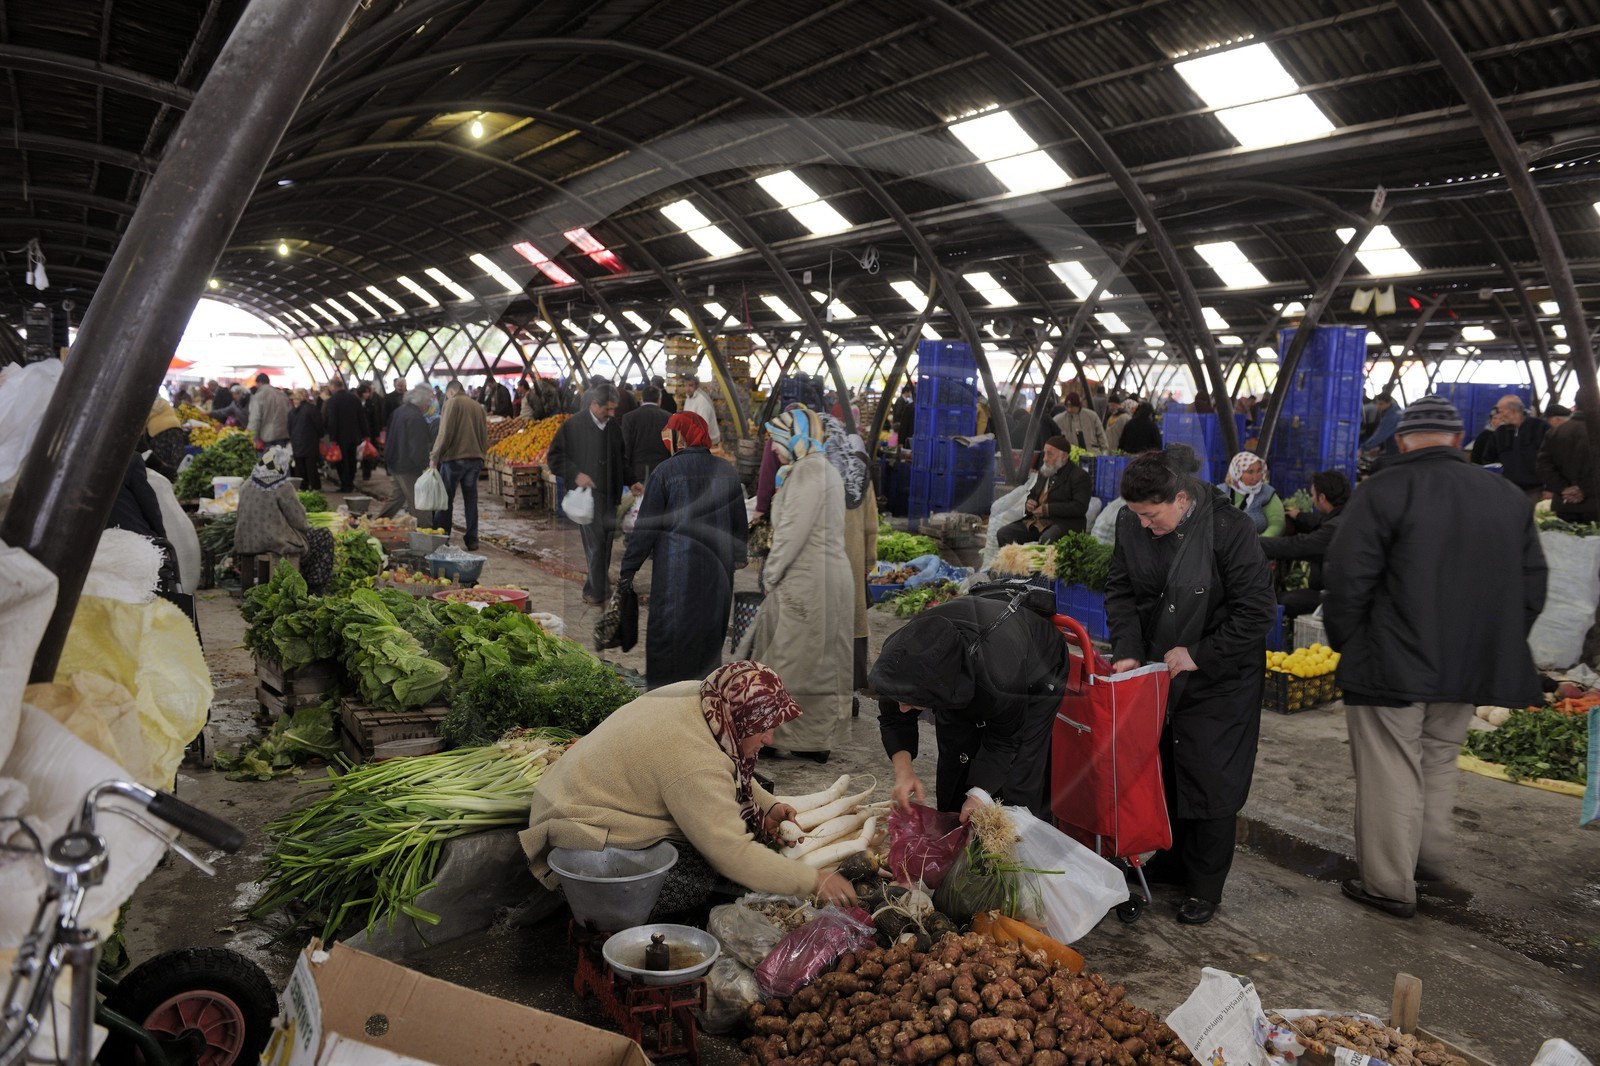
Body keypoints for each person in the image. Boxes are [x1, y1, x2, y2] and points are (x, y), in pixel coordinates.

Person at [1323, 395, 1546, 918]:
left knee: (1391, 767)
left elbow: (1347, 576)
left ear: (1402, 440)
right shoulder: (1509, 496)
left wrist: (1348, 642)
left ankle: (1388, 884)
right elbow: (1533, 584)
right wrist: (1497, 640)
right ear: (1456, 439)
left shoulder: (1385, 489)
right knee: (1439, 755)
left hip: (1391, 662)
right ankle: (1426, 858)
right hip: (1469, 664)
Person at [520, 661, 859, 913]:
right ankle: (589, 903)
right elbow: (733, 855)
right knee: (703, 878)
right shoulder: (693, 761)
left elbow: (724, 761)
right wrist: (813, 880)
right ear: (737, 721)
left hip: (561, 799)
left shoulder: (702, 696)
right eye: (762, 728)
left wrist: (767, 804)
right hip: (578, 843)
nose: (770, 738)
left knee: (712, 843)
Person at [1104, 450, 1276, 925]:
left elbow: (1257, 613)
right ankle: (1175, 861)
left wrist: (1198, 652)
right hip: (1161, 672)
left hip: (1220, 675)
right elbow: (1121, 591)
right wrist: (1128, 648)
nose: (1143, 525)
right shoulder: (1130, 524)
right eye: (1136, 514)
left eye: (1152, 515)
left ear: (1181, 499)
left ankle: (1205, 886)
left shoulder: (1229, 530)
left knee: (1211, 776)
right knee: (1168, 766)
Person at [872, 584, 1069, 820]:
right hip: (966, 660)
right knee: (956, 761)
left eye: (909, 702)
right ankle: (954, 831)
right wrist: (904, 772)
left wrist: (979, 794)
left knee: (1016, 780)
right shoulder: (899, 663)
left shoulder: (999, 679)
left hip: (1035, 673)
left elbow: (1006, 740)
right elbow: (894, 715)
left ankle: (1017, 846)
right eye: (900, 699)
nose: (903, 707)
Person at [738, 408, 854, 762]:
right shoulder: (825, 469)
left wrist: (771, 576)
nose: (773, 449)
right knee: (820, 661)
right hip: (828, 578)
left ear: (796, 436)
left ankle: (774, 735)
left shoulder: (806, 474)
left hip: (808, 580)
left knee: (788, 660)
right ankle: (814, 740)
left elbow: (790, 535)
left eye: (776, 440)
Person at [619, 412, 748, 687]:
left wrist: (628, 568)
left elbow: (646, 529)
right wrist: (737, 558)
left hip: (676, 577)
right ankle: (702, 706)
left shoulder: (665, 472)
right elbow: (739, 525)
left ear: (681, 437)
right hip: (718, 577)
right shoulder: (727, 471)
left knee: (670, 642)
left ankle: (666, 708)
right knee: (709, 644)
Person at [547, 383, 627, 604]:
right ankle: (596, 592)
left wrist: (632, 481)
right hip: (589, 498)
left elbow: (622, 459)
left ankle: (593, 588)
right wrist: (576, 474)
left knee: (606, 544)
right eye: (607, 409)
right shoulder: (573, 426)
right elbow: (554, 458)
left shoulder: (613, 427)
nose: (611, 414)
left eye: (613, 409)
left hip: (611, 495)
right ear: (594, 404)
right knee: (596, 543)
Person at [820, 414, 879, 693]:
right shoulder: (861, 474)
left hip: (823, 562)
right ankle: (850, 691)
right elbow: (872, 525)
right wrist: (870, 562)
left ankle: (825, 688)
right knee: (853, 620)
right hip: (853, 562)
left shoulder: (818, 472)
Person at [1261, 469, 1350, 621]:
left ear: (1322, 498)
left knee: (1284, 601)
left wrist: (1251, 542)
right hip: (1345, 590)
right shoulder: (1348, 514)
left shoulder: (1336, 529)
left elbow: (1296, 546)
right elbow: (1320, 522)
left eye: (1313, 495)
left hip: (1342, 597)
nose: (1312, 499)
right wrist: (1299, 517)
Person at [235, 446, 324, 577]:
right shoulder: (282, 486)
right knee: (322, 537)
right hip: (274, 542)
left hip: (244, 541)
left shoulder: (246, 484)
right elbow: (299, 521)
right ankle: (313, 584)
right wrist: (307, 529)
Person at [995, 436, 1092, 545]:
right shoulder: (1045, 471)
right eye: (1044, 453)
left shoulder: (1079, 476)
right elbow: (1033, 493)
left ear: (1064, 456)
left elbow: (1079, 507)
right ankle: (1014, 561)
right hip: (1038, 522)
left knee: (1048, 538)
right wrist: (1029, 503)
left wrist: (1048, 509)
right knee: (1004, 534)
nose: (1045, 458)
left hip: (1063, 523)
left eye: (1050, 454)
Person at [429, 379, 489, 549]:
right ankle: (472, 540)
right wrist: (481, 455)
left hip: (454, 459)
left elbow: (444, 433)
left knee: (446, 500)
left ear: (450, 392)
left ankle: (442, 537)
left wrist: (435, 456)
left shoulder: (451, 404)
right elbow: (485, 435)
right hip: (475, 459)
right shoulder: (478, 406)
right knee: (471, 500)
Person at [1537, 391, 1599, 523]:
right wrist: (1584, 490)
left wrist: (1564, 488)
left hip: (1564, 503)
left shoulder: (1554, 432)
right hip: (1595, 504)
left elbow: (1543, 466)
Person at [379, 386, 436, 520]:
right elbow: (417, 446)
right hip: (408, 466)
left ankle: (376, 525)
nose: (429, 405)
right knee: (419, 502)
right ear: (421, 401)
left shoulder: (399, 411)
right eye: (428, 401)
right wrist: (423, 467)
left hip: (395, 462)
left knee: (396, 498)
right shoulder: (415, 417)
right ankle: (426, 533)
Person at [1481, 395, 1550, 501]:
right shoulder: (1500, 433)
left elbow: (1554, 458)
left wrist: (1550, 488)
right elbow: (1488, 459)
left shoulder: (1540, 428)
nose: (1500, 415)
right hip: (1507, 491)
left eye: (1501, 411)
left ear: (1512, 410)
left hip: (1536, 491)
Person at [1219, 452, 1285, 537]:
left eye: (1259, 471)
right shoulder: (1220, 491)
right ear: (1237, 473)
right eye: (1250, 472)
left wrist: (1259, 542)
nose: (1256, 477)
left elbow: (1277, 524)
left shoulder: (1267, 493)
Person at [620, 384, 672, 488]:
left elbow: (626, 447)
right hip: (663, 470)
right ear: (659, 399)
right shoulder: (669, 417)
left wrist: (626, 474)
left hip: (637, 472)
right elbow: (671, 446)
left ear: (642, 398)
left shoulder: (628, 418)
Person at [322, 378, 367, 492]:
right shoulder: (354, 398)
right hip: (354, 435)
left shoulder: (333, 400)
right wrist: (365, 434)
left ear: (333, 386)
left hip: (339, 437)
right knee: (352, 459)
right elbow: (362, 417)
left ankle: (345, 484)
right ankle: (350, 482)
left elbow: (332, 420)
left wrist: (332, 437)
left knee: (341, 461)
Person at [141, 396, 188, 482]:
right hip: (175, 426)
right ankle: (179, 478)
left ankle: (168, 479)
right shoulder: (163, 401)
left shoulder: (146, 403)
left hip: (158, 430)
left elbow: (143, 422)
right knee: (176, 455)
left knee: (164, 457)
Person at [287, 388, 323, 491]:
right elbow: (319, 426)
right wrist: (319, 435)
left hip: (297, 443)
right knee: (311, 466)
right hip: (310, 442)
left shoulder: (291, 412)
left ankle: (303, 487)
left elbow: (289, 429)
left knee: (300, 467)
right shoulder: (312, 409)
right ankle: (315, 487)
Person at [247, 372, 291, 451]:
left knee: (268, 461)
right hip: (283, 434)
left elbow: (255, 418)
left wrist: (250, 437)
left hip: (268, 436)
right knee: (282, 460)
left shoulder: (259, 396)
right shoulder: (282, 394)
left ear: (259, 383)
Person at [358, 382, 386, 481]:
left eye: (368, 392)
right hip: (360, 432)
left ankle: (367, 472)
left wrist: (377, 433)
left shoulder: (371, 403)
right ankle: (364, 470)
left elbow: (375, 419)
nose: (367, 394)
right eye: (365, 392)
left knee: (368, 453)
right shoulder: (358, 403)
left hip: (369, 433)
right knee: (361, 452)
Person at [681, 376, 720, 446]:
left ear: (697, 386)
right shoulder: (689, 397)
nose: (687, 389)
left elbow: (703, 425)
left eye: (690, 385)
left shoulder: (702, 400)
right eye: (685, 385)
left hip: (709, 442)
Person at [1360, 392, 1401, 457]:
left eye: (1381, 404)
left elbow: (1381, 434)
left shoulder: (1392, 417)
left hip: (1396, 452)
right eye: (1377, 403)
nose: (1378, 406)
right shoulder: (1391, 411)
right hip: (1393, 448)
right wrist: (1381, 448)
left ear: (1389, 403)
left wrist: (1362, 449)